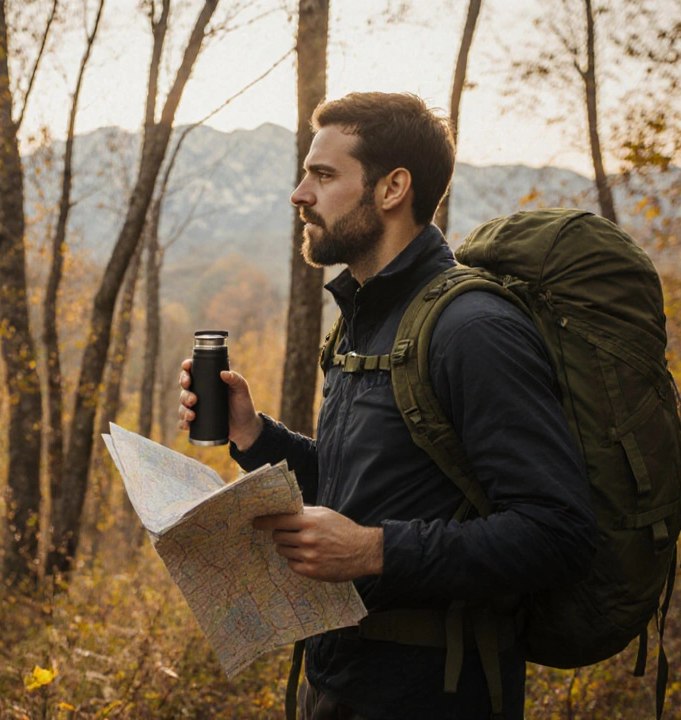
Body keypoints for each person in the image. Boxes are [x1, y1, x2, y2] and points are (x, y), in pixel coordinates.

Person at [178, 92, 597, 720]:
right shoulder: (366, 320)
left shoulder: (473, 329)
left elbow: (558, 534)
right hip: (340, 682)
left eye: (323, 175)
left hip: (435, 695)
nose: (300, 194)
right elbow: (365, 487)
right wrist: (256, 436)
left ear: (392, 188)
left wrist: (375, 550)